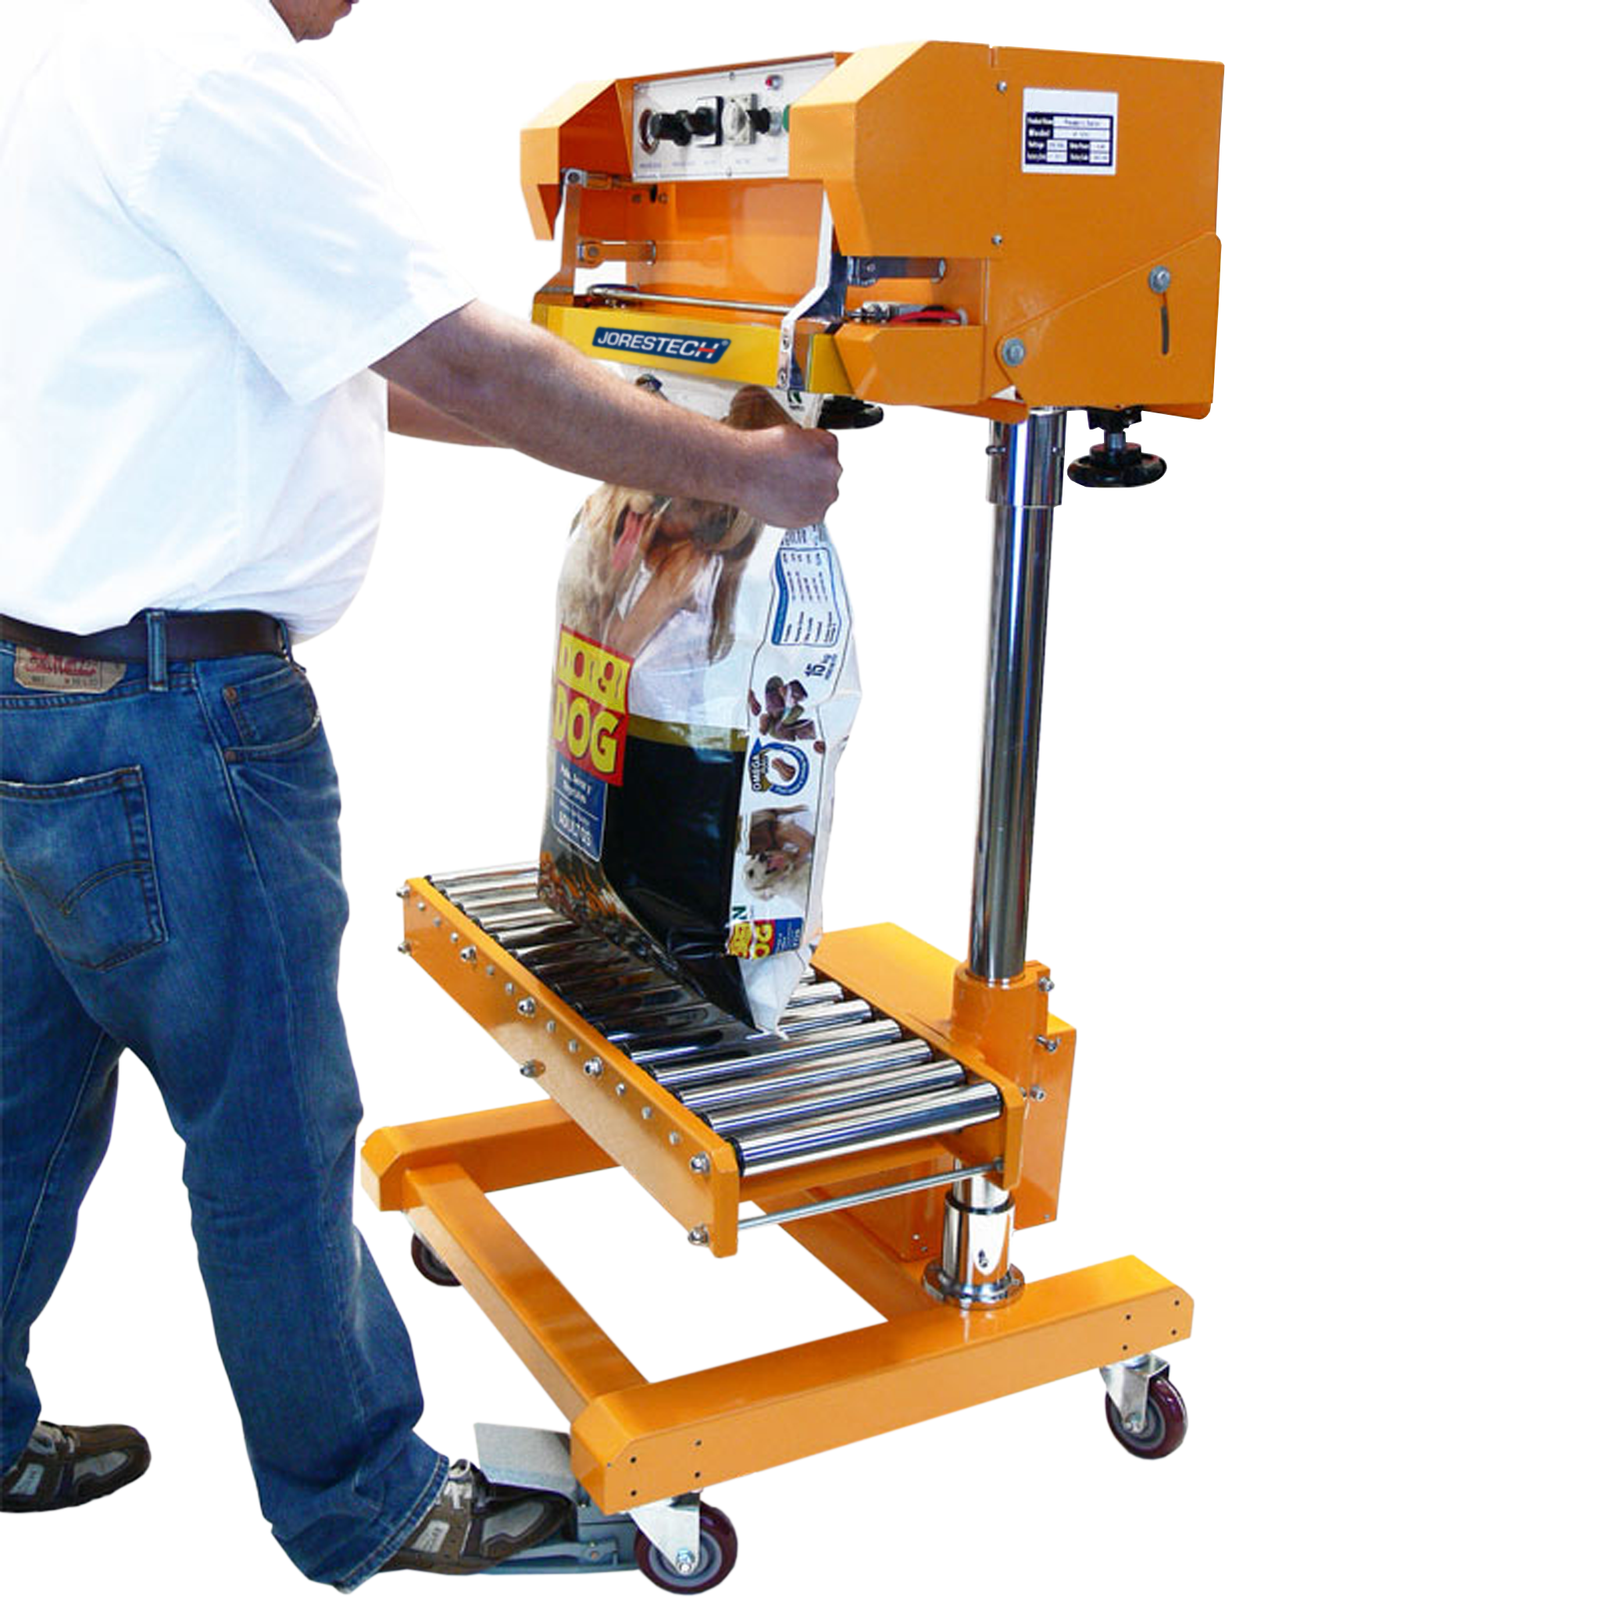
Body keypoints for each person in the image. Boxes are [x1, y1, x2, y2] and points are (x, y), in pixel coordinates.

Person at [0, 0, 839, 1588]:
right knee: (270, 1131)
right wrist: (741, 472)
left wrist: (640, 437)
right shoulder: (214, 71)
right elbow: (456, 350)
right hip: (180, 730)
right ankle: (363, 1498)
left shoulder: (90, 48)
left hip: (39, 698)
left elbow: (370, 370)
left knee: (16, 1107)